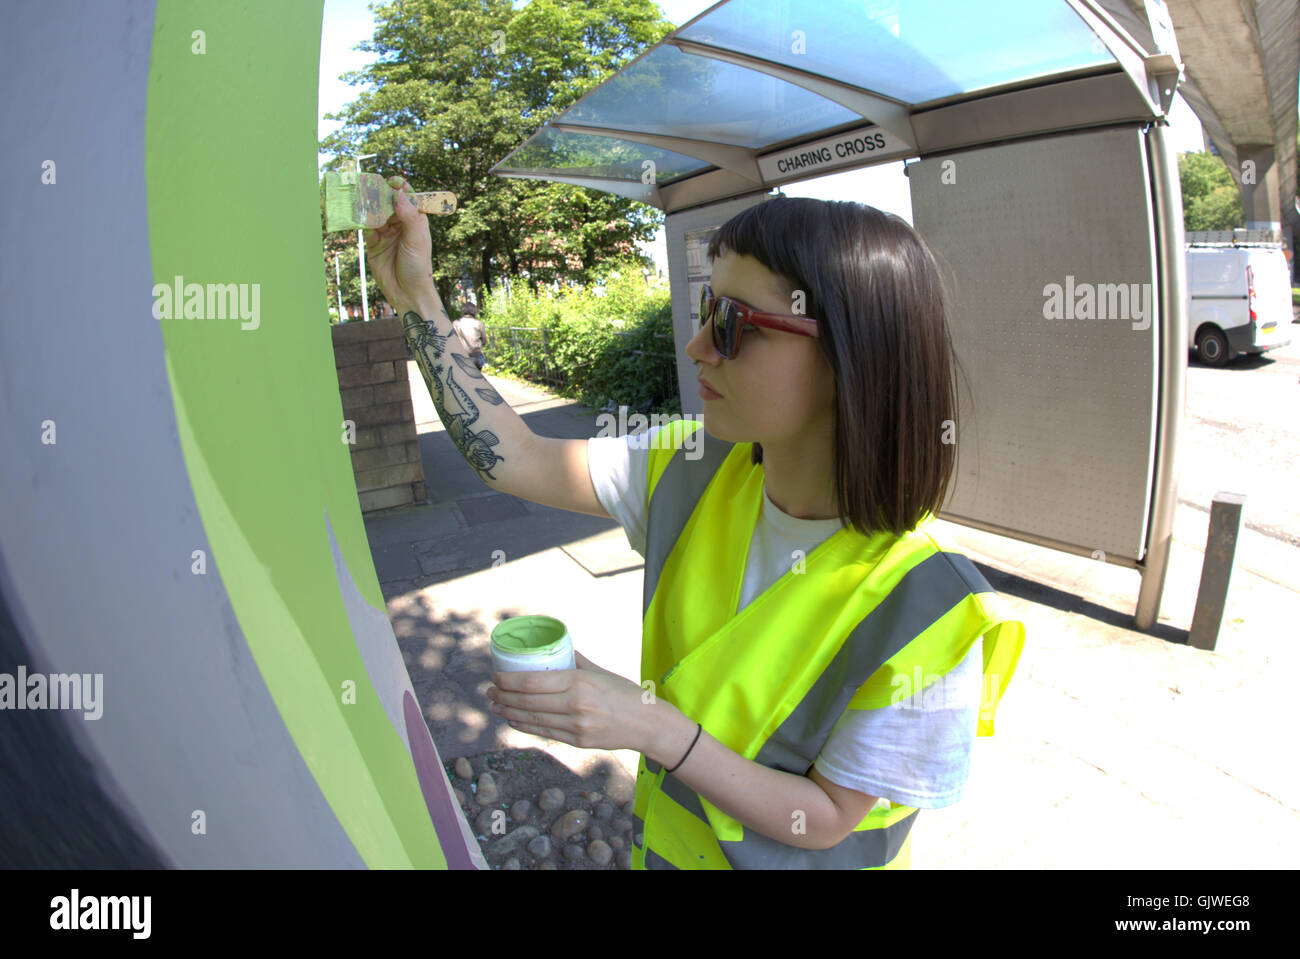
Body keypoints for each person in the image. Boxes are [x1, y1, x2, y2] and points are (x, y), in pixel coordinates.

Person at [364, 177, 1026, 870]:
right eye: (709, 306)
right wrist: (419, 300)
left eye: (735, 322)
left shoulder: (931, 609)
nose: (698, 345)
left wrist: (646, 723)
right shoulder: (688, 464)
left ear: (851, 359)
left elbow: (827, 819)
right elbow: (516, 456)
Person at [452, 295, 487, 370]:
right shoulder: (478, 323)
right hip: (476, 355)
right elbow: (484, 340)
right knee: (477, 378)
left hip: (461, 355)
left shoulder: (456, 323)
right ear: (475, 311)